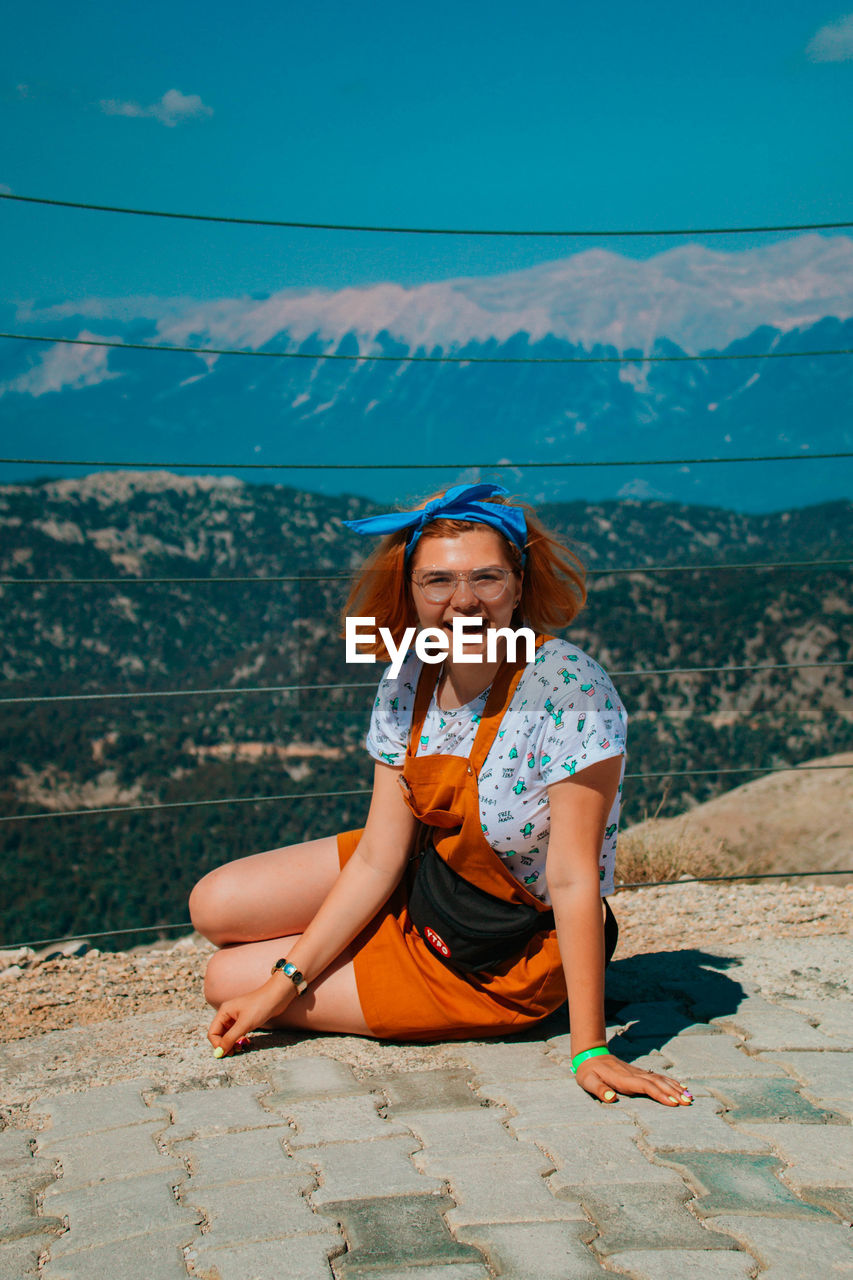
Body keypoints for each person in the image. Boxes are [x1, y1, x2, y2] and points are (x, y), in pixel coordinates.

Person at [189, 483, 692, 1107]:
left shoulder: (568, 690)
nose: (464, 602)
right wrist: (286, 981)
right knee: (216, 904)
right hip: (427, 881)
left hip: (501, 953)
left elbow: (571, 880)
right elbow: (380, 855)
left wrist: (590, 1048)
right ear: (410, 591)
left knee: (225, 979)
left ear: (519, 584)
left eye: (488, 578)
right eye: (438, 582)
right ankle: (359, 951)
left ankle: (409, 974)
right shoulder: (409, 673)